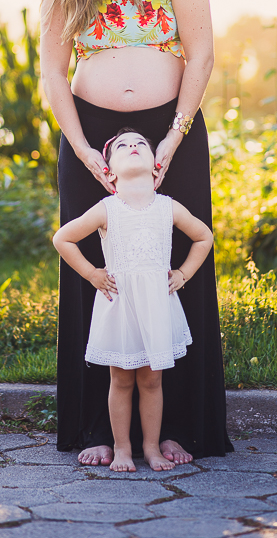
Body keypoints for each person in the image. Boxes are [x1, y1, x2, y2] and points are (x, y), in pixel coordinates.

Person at [40, 0, 233, 465]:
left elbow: (200, 50)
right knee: (98, 273)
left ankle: (177, 426)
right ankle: (99, 430)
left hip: (169, 132)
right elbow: (53, 73)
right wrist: (78, 146)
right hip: (91, 139)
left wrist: (176, 133)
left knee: (174, 267)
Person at [52, 128, 214, 472]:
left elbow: (204, 236)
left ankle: (151, 448)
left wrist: (182, 273)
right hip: (120, 306)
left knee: (153, 379)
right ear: (108, 170)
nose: (133, 146)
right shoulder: (107, 209)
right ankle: (122, 448)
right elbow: (63, 238)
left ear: (157, 167)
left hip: (156, 305)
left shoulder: (168, 208)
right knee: (121, 379)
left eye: (141, 143)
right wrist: (92, 274)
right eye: (123, 146)